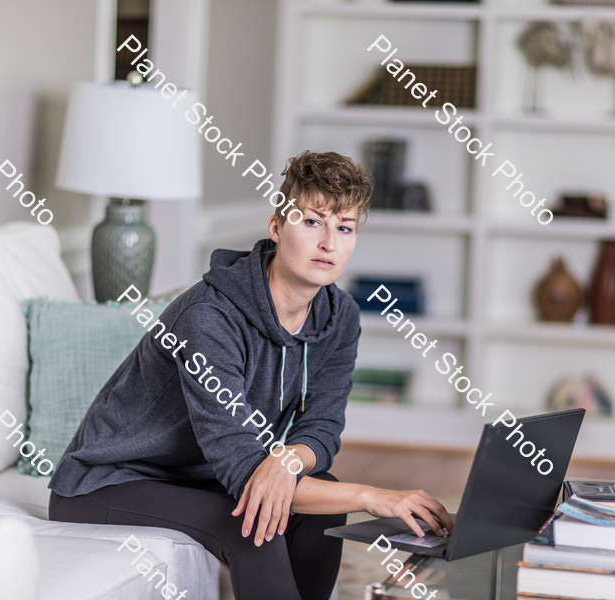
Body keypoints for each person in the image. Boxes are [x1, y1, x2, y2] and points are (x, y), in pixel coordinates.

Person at [48, 150, 455, 600]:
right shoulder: (208, 317)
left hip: (200, 476)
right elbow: (243, 470)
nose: (329, 244)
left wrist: (286, 460)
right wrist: (375, 497)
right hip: (112, 481)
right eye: (312, 222)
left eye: (345, 227)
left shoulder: (341, 316)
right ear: (277, 227)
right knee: (254, 527)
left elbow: (321, 428)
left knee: (322, 502)